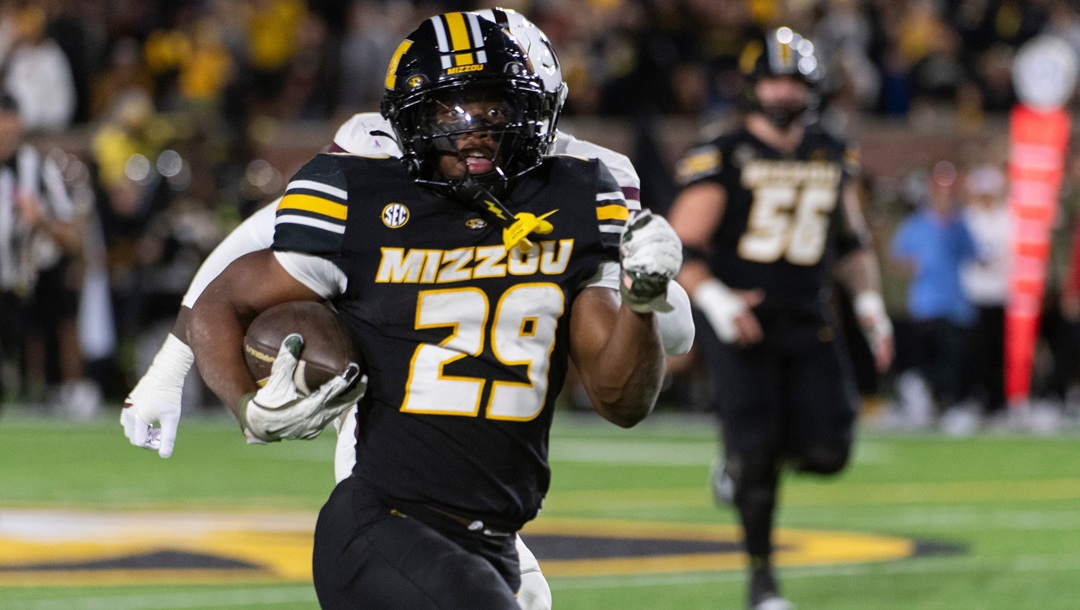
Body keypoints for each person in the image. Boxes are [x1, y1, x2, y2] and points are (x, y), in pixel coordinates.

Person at [121, 9, 694, 610]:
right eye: (451, 111)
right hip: (386, 501)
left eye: (495, 107)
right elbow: (249, 255)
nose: (473, 130)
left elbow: (642, 371)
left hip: (493, 522)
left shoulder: (584, 187)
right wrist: (183, 373)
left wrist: (644, 297)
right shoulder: (368, 173)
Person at [667, 27, 893, 610]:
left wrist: (870, 307)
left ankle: (747, 463)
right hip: (742, 324)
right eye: (774, 80)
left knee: (831, 449)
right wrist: (716, 300)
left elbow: (851, 241)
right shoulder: (724, 153)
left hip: (811, 319)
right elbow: (679, 247)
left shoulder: (831, 150)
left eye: (795, 81)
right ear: (752, 87)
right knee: (756, 453)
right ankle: (762, 581)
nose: (785, 93)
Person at [0, 91, 90, 412]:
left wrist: (40, 221)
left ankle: (68, 388)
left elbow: (72, 236)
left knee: (56, 292)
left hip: (32, 275)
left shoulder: (38, 168)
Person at [890, 160, 980, 432]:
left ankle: (933, 395)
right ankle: (929, 392)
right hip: (927, 302)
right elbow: (899, 257)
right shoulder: (916, 224)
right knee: (942, 358)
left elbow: (973, 254)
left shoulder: (958, 223)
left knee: (953, 357)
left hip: (955, 301)